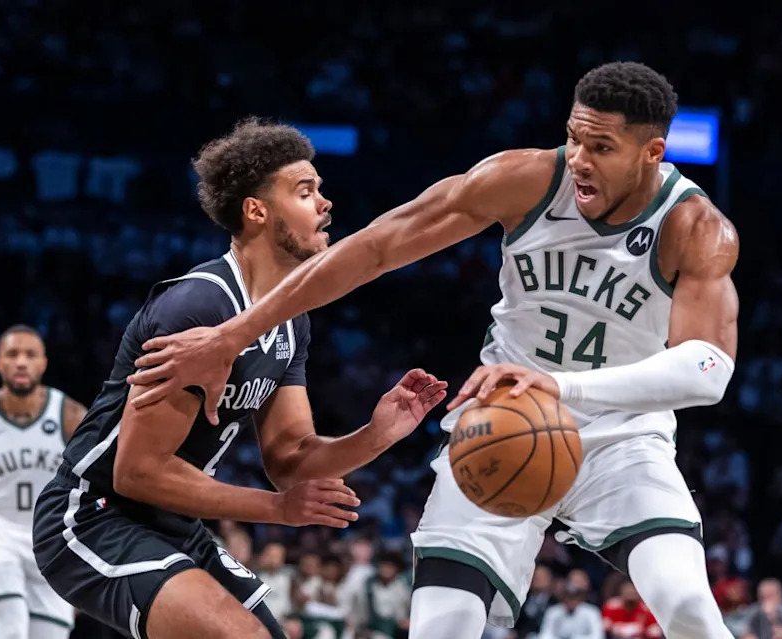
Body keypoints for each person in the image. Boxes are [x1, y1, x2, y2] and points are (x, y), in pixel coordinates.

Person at [127, 62, 739, 638]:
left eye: (601, 148)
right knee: (439, 627)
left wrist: (563, 386)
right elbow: (375, 248)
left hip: (622, 437)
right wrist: (232, 336)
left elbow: (706, 369)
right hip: (500, 423)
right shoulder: (524, 180)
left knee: (688, 607)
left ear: (652, 153)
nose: (579, 160)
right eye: (574, 139)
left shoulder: (695, 228)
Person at [31, 118, 447, 639]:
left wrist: (378, 434)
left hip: (173, 523)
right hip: (93, 515)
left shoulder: (293, 320)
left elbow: (290, 460)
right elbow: (136, 473)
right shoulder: (199, 305)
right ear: (257, 211)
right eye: (306, 191)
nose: (326, 203)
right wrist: (276, 510)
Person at [0, 325, 87, 638]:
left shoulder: (70, 415)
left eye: (30, 355)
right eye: (13, 354)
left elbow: (95, 485)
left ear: (43, 363)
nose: (21, 362)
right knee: (11, 630)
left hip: (51, 541)